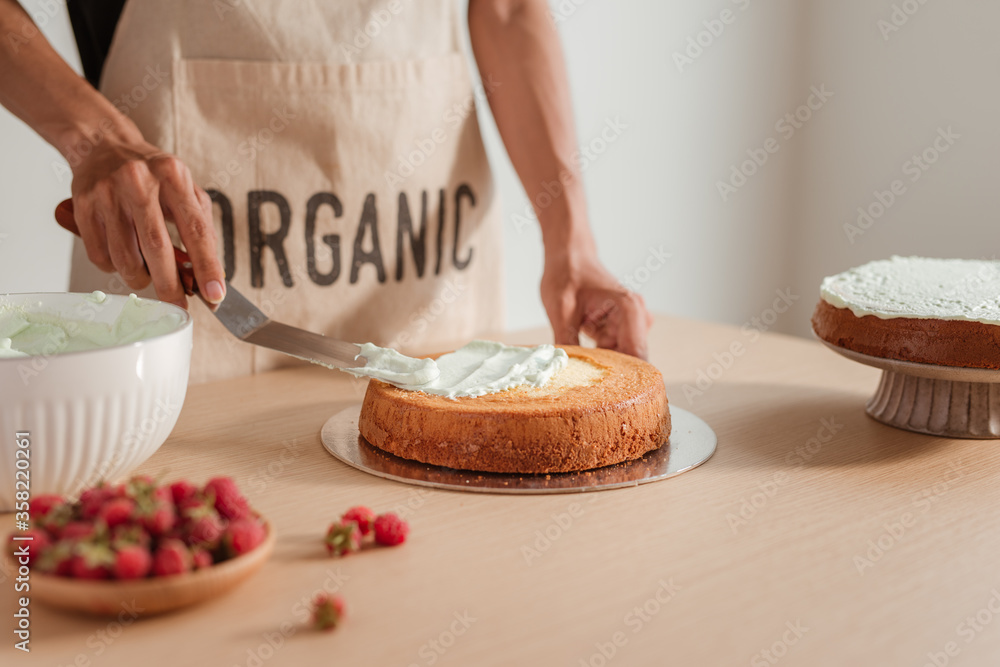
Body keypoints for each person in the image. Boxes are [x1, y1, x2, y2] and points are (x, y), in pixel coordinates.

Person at [0, 0, 651, 383]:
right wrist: (94, 137)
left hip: (437, 323)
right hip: (185, 374)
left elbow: (507, 8)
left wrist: (572, 243)